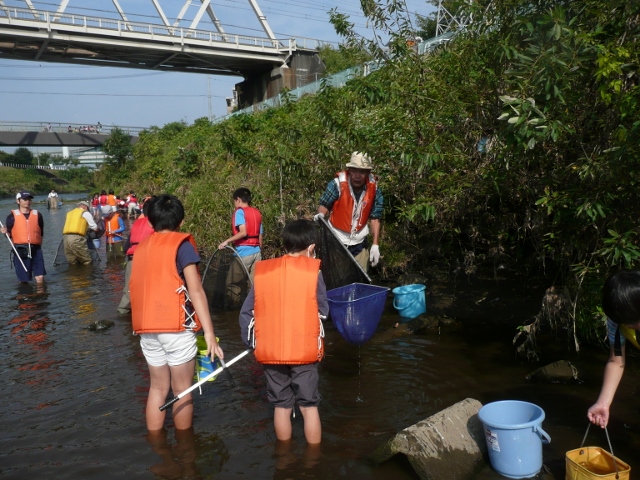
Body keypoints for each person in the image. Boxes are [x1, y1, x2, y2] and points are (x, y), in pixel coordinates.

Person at [129, 193, 223, 432]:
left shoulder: (142, 247)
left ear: (151, 221)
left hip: (147, 329)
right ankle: (185, 446)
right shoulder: (182, 246)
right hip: (175, 327)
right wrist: (209, 333)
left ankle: (156, 443)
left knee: (157, 388)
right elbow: (196, 291)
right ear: (181, 221)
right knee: (182, 390)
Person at [239, 219, 329, 444]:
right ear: (311, 247)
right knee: (309, 406)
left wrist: (253, 344)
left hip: (271, 351)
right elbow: (323, 311)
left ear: (286, 244)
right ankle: (313, 458)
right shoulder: (314, 272)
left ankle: (283, 456)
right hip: (304, 351)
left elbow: (246, 313)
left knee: (281, 406)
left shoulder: (263, 271)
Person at [588, 270, 640, 428]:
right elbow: (616, 362)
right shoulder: (616, 321)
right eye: (630, 324)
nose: (635, 326)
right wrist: (603, 403)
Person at [315, 152, 384, 272]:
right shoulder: (337, 184)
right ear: (349, 170)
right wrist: (321, 214)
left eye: (362, 172)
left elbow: (375, 218)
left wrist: (375, 244)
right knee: (336, 275)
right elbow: (324, 205)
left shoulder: (374, 189)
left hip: (359, 241)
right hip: (336, 239)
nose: (357, 175)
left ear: (368, 173)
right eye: (354, 170)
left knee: (359, 276)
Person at [218, 187, 263, 305]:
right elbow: (260, 236)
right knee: (253, 284)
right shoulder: (257, 213)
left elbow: (243, 232)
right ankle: (253, 309)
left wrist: (226, 241)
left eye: (234, 201)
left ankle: (234, 310)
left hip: (243, 253)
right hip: (257, 253)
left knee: (232, 284)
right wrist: (259, 251)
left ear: (238, 200)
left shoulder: (240, 212)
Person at [118, 197, 155, 315]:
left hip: (132, 259)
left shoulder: (136, 223)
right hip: (147, 259)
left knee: (129, 291)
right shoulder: (156, 224)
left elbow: (126, 247)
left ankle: (123, 313)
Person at [0, 191, 46, 284]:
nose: (27, 201)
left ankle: (41, 293)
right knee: (24, 280)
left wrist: (39, 246)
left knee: (40, 278)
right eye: (25, 199)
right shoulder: (11, 217)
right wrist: (5, 232)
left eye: (29, 199)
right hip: (20, 250)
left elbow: (41, 232)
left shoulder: (38, 215)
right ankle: (25, 292)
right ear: (18, 201)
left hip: (36, 249)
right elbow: (9, 235)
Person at [62, 200, 99, 265]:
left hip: (65, 238)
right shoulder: (85, 213)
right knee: (86, 260)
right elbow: (94, 227)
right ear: (86, 207)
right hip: (76, 238)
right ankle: (88, 271)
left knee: (72, 261)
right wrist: (98, 230)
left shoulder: (69, 213)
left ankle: (74, 271)